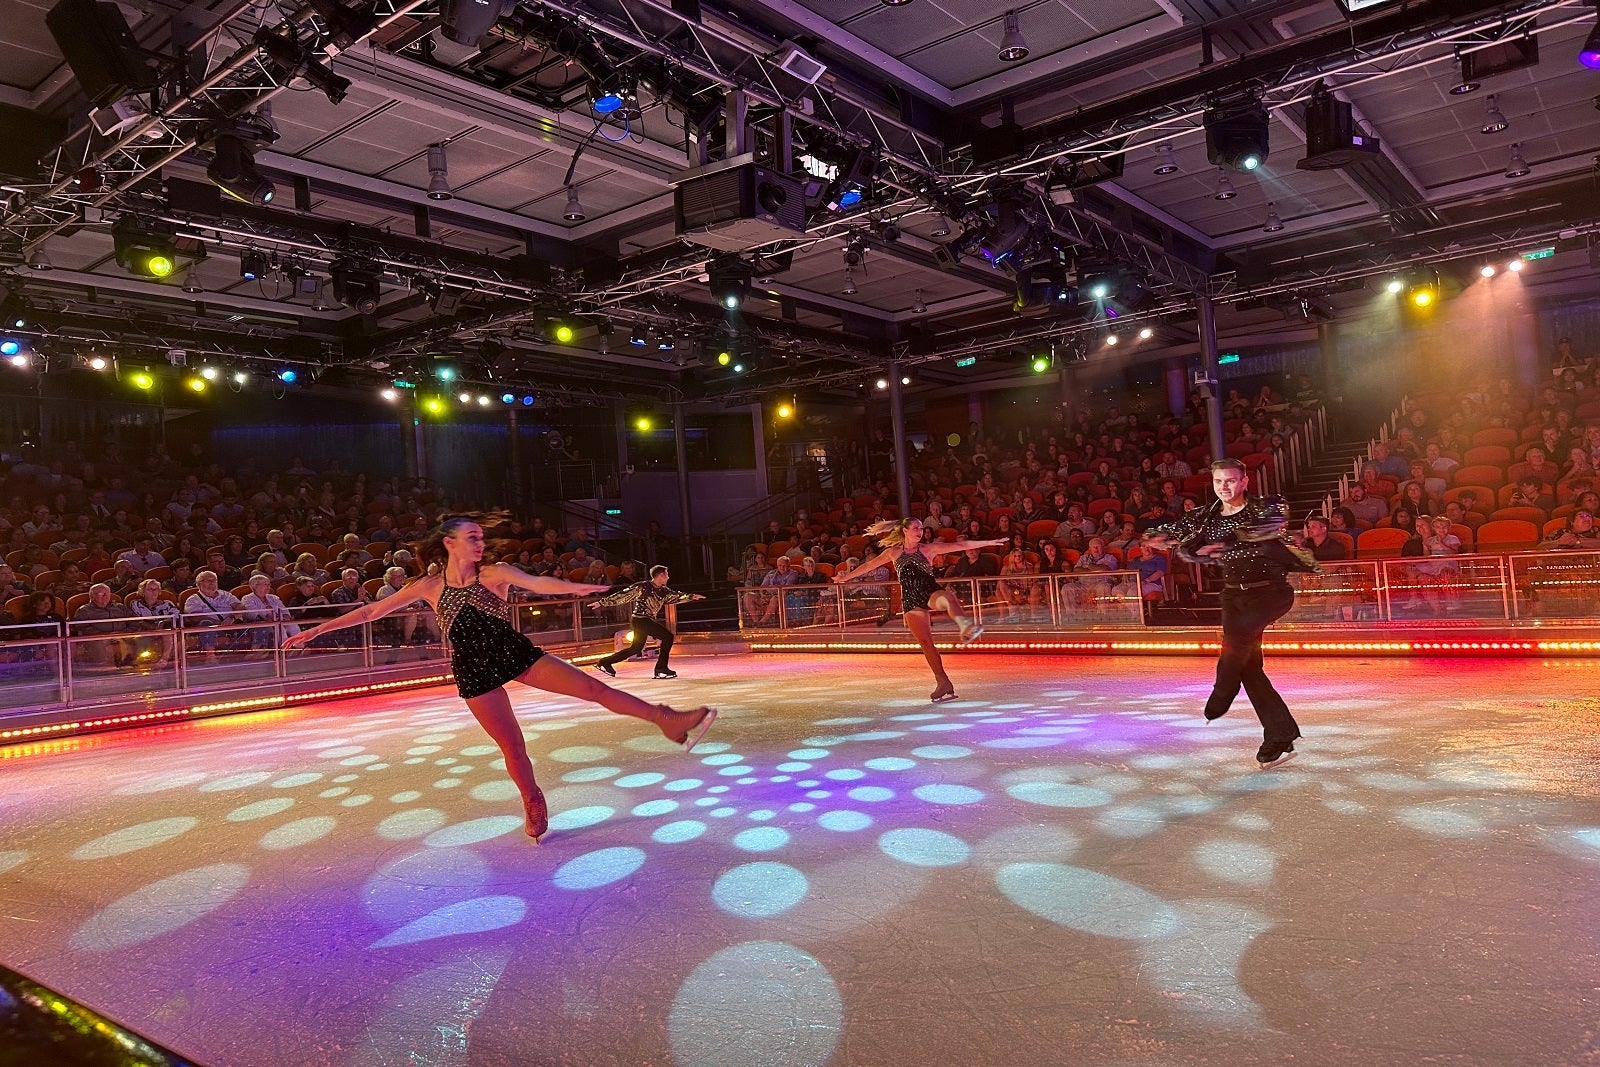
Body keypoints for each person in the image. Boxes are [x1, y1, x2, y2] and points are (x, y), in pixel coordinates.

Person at [282, 516, 716, 842]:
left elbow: (536, 582)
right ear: (449, 543)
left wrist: (574, 588)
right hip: (473, 670)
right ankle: (532, 798)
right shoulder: (430, 586)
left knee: (594, 688)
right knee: (512, 745)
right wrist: (317, 630)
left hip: (515, 654)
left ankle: (667, 719)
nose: (480, 542)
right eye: (471, 536)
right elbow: (372, 610)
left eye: (481, 537)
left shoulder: (495, 573)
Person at [1145, 459, 1319, 768]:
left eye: (1230, 480)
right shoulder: (1205, 518)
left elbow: (1263, 526)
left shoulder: (1265, 508)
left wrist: (1219, 541)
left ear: (1244, 482)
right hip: (1233, 595)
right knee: (1249, 667)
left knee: (1236, 643)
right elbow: (1164, 534)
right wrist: (1172, 542)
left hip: (1270, 592)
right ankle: (1280, 734)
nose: (1223, 486)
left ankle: (1222, 690)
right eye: (1218, 481)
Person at [833, 518, 1004, 702]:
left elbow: (960, 545)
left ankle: (965, 626)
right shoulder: (893, 552)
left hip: (929, 591)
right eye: (915, 528)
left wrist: (989, 542)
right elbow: (868, 566)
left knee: (948, 598)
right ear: (905, 531)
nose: (920, 531)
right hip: (910, 599)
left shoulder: (928, 549)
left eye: (921, 528)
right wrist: (846, 578)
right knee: (925, 642)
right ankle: (943, 681)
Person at [588, 565, 705, 679]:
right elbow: (623, 595)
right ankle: (661, 669)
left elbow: (675, 596)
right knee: (667, 637)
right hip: (640, 620)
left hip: (645, 620)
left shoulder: (663, 590)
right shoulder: (643, 587)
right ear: (660, 575)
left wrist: (691, 596)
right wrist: (602, 603)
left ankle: (604, 662)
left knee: (636, 648)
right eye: (666, 574)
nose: (668, 577)